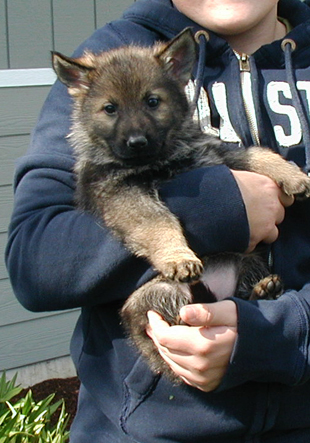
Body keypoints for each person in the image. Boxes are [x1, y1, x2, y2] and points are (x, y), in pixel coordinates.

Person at [5, 0, 310, 441]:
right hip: (145, 425)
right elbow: (37, 260)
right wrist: (219, 206)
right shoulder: (106, 51)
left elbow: (230, 154)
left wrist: (283, 334)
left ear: (177, 76)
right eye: (111, 110)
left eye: (152, 103)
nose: (135, 129)